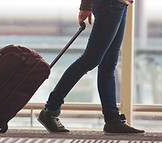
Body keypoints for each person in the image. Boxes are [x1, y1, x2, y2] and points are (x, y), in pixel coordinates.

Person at [37, 0, 145, 133]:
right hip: (110, 4)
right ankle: (51, 109)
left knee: (108, 64)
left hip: (121, 4)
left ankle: (112, 120)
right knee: (90, 59)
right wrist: (86, 5)